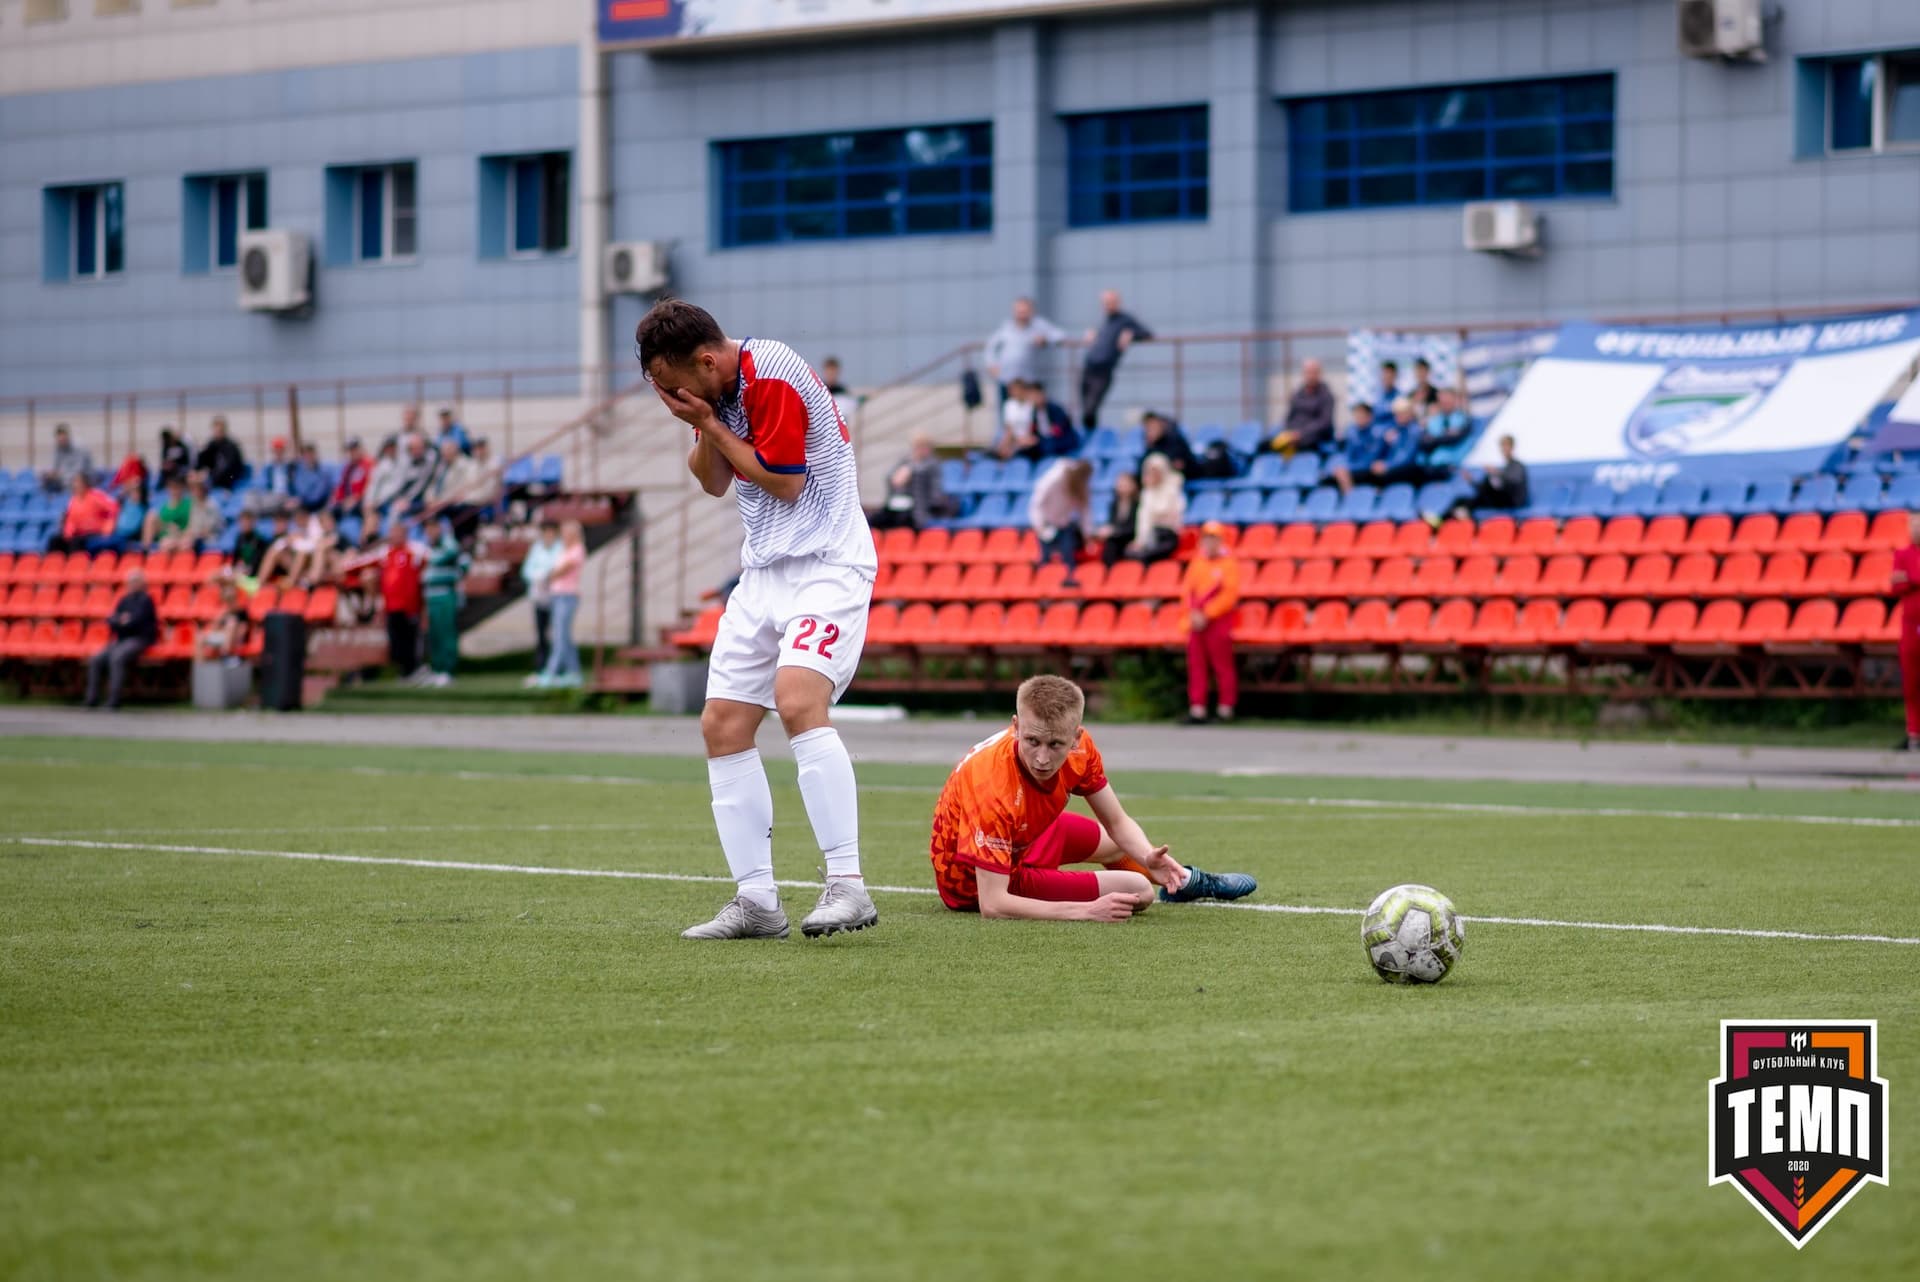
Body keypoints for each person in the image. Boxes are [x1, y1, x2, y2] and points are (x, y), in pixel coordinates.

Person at [635, 297, 879, 941]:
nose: (669, 395)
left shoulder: (771, 372)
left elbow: (783, 481)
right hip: (765, 572)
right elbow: (714, 482)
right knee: (722, 724)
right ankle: (757, 902)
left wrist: (712, 428)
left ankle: (848, 885)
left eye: (671, 384)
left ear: (708, 360)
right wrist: (701, 423)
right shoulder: (714, 390)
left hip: (827, 564)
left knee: (798, 700)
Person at [927, 674, 1256, 919]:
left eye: (1055, 744)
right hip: (976, 883)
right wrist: (1084, 911)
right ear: (1015, 726)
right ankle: (1148, 884)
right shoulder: (993, 784)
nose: (1042, 758)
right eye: (1032, 741)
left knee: (1120, 846)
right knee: (1138, 890)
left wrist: (1146, 857)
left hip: (1018, 838)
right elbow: (993, 905)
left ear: (1075, 738)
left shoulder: (1082, 751)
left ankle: (1180, 880)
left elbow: (1117, 821)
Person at [1182, 521, 1241, 724]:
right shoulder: (1197, 562)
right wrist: (1192, 613)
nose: (1209, 542)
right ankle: (1197, 707)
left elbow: (1229, 594)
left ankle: (1226, 708)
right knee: (1196, 665)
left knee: (1222, 665)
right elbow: (1187, 590)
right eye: (1206, 538)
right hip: (1196, 621)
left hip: (1218, 621)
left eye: (1214, 538)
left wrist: (1207, 614)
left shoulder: (1228, 564)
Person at [84, 568, 158, 711]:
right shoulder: (124, 599)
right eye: (130, 582)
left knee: (117, 658)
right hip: (121, 639)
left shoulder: (146, 600)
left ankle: (114, 700)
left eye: (134, 582)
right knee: (95, 659)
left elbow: (137, 621)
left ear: (142, 583)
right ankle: (91, 699)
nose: (131, 585)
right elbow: (112, 619)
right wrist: (122, 621)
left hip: (140, 639)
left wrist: (123, 622)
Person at [1079, 290, 1151, 431]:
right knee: (1085, 407)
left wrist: (1132, 334)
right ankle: (1089, 438)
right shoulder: (1103, 320)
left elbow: (1147, 333)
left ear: (1118, 302)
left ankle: (1091, 436)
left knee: (1090, 408)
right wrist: (1091, 335)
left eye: (1111, 302)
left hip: (1103, 370)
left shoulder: (1125, 320)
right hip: (1089, 367)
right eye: (1106, 302)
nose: (1109, 305)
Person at [983, 296, 1066, 409]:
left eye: (1025, 312)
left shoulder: (1039, 325)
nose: (1022, 315)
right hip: (1008, 380)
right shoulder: (1006, 327)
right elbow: (991, 346)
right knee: (1009, 413)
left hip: (1030, 380)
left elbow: (1060, 336)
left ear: (1032, 311)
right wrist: (991, 364)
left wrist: (1045, 339)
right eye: (1019, 312)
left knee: (1032, 414)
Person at [533, 519, 586, 689]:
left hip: (567, 596)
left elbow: (562, 570)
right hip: (557, 595)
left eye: (565, 533)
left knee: (560, 637)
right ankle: (574, 672)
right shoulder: (564, 549)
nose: (562, 536)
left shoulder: (577, 550)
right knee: (564, 636)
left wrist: (548, 577)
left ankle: (551, 671)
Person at [419, 517, 469, 687]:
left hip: (446, 594)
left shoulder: (448, 543)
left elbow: (460, 561)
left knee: (446, 632)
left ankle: (448, 670)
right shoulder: (429, 546)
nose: (429, 532)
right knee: (435, 635)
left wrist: (452, 577)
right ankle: (437, 668)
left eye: (432, 528)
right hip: (431, 596)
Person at [871, 432, 956, 531]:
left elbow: (934, 493)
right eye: (917, 447)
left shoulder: (933, 464)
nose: (919, 450)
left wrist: (910, 470)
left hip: (920, 509)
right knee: (876, 521)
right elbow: (891, 477)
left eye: (922, 446)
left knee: (901, 523)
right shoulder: (906, 460)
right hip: (900, 505)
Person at [1028, 457, 1093, 585]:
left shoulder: (1081, 484)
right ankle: (1044, 585)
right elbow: (1036, 503)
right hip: (1046, 524)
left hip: (1064, 524)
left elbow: (1085, 511)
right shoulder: (1054, 478)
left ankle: (1069, 582)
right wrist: (1039, 525)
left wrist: (1087, 535)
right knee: (1046, 559)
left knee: (1068, 556)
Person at [379, 525, 426, 682]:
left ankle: (413, 669)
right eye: (392, 533)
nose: (394, 536)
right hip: (392, 605)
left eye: (397, 533)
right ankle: (404, 670)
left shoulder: (414, 551)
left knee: (410, 638)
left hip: (409, 605)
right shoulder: (387, 554)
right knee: (396, 640)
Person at [1267, 357, 1336, 457]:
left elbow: (1324, 422)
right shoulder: (1298, 394)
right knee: (1264, 446)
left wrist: (1300, 434)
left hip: (1314, 439)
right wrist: (1289, 433)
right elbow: (1289, 417)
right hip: (1292, 436)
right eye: (1308, 372)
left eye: (1314, 372)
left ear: (1319, 373)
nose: (1311, 376)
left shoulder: (1326, 395)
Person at [1450, 434, 1529, 518]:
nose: (1504, 449)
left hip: (1512, 501)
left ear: (1512, 447)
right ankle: (1445, 519)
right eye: (1502, 446)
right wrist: (1471, 481)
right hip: (1498, 499)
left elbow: (1514, 482)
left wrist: (1497, 473)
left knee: (1488, 480)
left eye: (1506, 446)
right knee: (1461, 500)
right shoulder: (1505, 467)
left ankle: (1464, 515)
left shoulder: (1518, 466)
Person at [520, 518, 562, 680]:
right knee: (541, 634)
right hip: (539, 595)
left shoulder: (560, 549)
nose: (548, 536)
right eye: (546, 533)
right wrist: (537, 577)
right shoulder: (537, 548)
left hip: (555, 595)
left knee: (556, 634)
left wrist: (545, 576)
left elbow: (556, 568)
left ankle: (556, 668)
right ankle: (540, 667)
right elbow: (527, 569)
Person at [1893, 512, 1920, 752]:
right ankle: (1913, 734)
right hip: (1911, 626)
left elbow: (1906, 580)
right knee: (1911, 682)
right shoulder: (1902, 554)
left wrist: (1911, 578)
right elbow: (1896, 585)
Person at [1127, 453, 1185, 564]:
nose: (1152, 474)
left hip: (1168, 535)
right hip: (1151, 536)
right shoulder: (1146, 493)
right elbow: (1143, 520)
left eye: (1155, 471)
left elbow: (1167, 512)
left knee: (1145, 556)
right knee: (1130, 553)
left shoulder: (1172, 489)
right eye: (1149, 471)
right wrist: (1140, 540)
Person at [49, 473, 120, 553]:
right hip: (79, 533)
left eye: (77, 482)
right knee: (55, 540)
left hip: (94, 532)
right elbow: (71, 520)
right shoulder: (73, 500)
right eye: (74, 482)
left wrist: (108, 527)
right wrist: (67, 534)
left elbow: (113, 508)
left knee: (76, 542)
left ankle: (76, 564)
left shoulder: (96, 495)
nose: (75, 485)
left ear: (85, 484)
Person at [429, 437, 486, 535]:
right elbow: (433, 485)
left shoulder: (465, 465)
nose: (445, 454)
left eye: (448, 451)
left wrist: (440, 502)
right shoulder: (441, 466)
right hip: (440, 502)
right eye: (444, 452)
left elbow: (459, 490)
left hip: (455, 503)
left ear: (455, 451)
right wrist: (430, 498)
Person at [195, 578, 251, 660]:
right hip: (222, 636)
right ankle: (199, 667)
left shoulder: (242, 612)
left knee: (231, 624)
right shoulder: (224, 613)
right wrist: (222, 616)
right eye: (226, 600)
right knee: (200, 637)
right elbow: (214, 629)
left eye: (230, 599)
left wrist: (230, 631)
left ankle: (226, 656)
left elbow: (243, 631)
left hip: (235, 639)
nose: (228, 603)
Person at [390, 431, 440, 517]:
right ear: (409, 449)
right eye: (414, 448)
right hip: (406, 500)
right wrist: (401, 500)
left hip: (423, 499)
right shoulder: (404, 464)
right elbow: (398, 486)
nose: (417, 451)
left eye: (420, 447)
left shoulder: (430, 461)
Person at [1095, 471, 1140, 566]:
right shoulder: (1114, 505)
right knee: (1110, 543)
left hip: (1130, 536)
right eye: (1119, 484)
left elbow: (1134, 527)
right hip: (1117, 538)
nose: (1121, 486)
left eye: (1125, 484)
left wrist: (1114, 531)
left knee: (1113, 542)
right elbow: (1112, 523)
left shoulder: (1138, 504)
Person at [361, 437, 405, 526]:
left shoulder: (404, 462)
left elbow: (398, 486)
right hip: (381, 502)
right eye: (389, 447)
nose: (391, 450)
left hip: (393, 501)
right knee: (369, 516)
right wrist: (369, 501)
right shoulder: (381, 465)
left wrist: (378, 501)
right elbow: (373, 484)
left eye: (393, 447)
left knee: (395, 511)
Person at [247, 437, 298, 516]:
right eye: (276, 450)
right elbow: (260, 486)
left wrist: (294, 498)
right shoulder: (268, 468)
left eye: (280, 450)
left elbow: (297, 487)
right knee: (250, 497)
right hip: (271, 498)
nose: (278, 453)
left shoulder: (291, 468)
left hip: (286, 498)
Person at [141, 474, 193, 549]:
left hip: (182, 538)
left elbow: (192, 526)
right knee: (151, 517)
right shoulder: (164, 507)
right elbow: (162, 526)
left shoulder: (188, 504)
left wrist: (180, 534)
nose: (174, 491)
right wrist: (167, 528)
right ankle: (146, 551)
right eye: (171, 488)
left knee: (184, 543)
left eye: (176, 487)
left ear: (182, 488)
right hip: (167, 539)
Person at [195, 416, 247, 491]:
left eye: (220, 431)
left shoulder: (231, 447)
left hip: (229, 483)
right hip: (214, 481)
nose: (217, 433)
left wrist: (209, 476)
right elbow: (202, 460)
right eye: (216, 431)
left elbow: (229, 469)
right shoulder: (212, 444)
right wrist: (196, 472)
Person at [1137, 411, 1193, 478]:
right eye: (1148, 428)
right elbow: (1144, 464)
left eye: (1153, 427)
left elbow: (1179, 464)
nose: (1150, 431)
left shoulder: (1175, 439)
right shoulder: (1151, 444)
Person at [42, 424, 93, 494]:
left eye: (63, 438)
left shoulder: (80, 448)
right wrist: (51, 474)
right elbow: (55, 468)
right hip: (65, 481)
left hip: (83, 482)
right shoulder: (58, 448)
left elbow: (79, 471)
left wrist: (60, 475)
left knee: (77, 480)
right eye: (59, 439)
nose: (61, 441)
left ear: (68, 436)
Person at [331, 438, 371, 520]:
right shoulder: (348, 467)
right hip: (347, 501)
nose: (352, 453)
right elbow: (341, 486)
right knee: (331, 511)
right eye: (350, 450)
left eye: (354, 449)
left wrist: (356, 498)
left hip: (361, 501)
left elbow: (370, 486)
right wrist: (337, 499)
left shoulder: (367, 464)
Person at [289, 443, 331, 513]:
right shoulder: (299, 472)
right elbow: (298, 489)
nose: (308, 457)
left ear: (315, 455)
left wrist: (301, 500)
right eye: (306, 455)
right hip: (301, 503)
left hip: (317, 505)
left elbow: (317, 495)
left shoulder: (323, 473)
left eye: (311, 454)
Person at [230, 509, 270, 577]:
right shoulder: (240, 538)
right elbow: (235, 561)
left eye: (247, 522)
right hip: (242, 570)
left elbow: (257, 565)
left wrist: (243, 570)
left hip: (254, 575)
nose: (244, 525)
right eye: (242, 522)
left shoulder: (259, 540)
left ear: (253, 523)